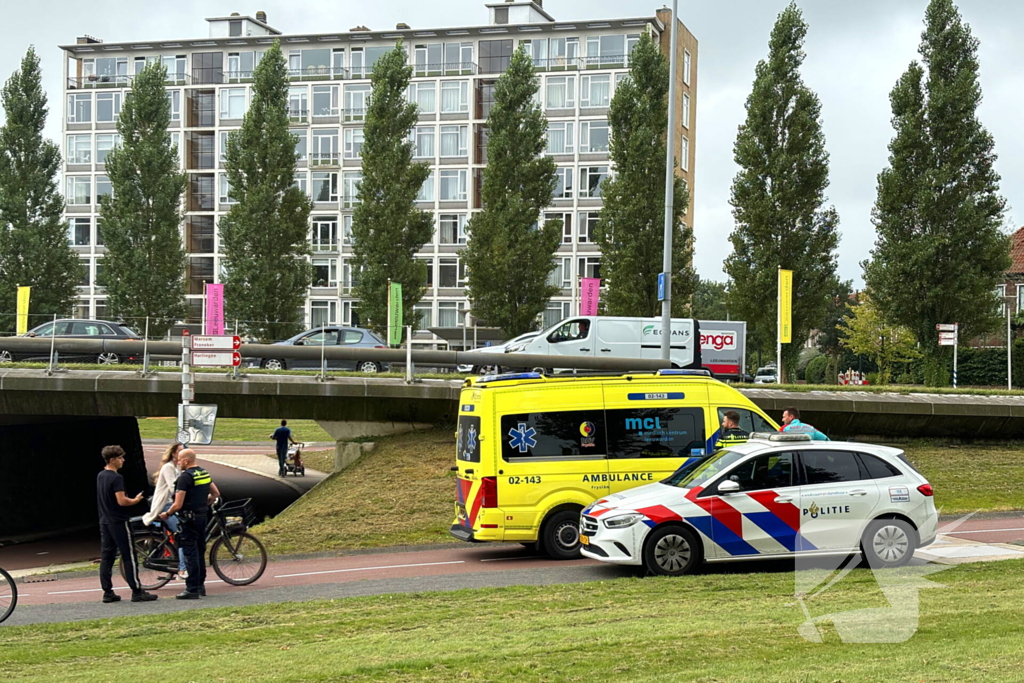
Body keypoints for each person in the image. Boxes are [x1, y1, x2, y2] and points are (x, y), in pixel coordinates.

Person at [96, 445, 158, 604]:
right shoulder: (117, 478)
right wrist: (135, 501)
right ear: (112, 460)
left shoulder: (101, 475)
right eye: (120, 458)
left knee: (107, 556)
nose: (123, 460)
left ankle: (107, 591)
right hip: (118, 520)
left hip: (104, 520)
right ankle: (136, 590)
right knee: (129, 555)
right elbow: (121, 501)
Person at [161, 448, 220, 600]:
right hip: (201, 518)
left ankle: (191, 588)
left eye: (180, 460)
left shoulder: (185, 478)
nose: (178, 462)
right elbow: (215, 493)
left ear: (186, 461)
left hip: (188, 520)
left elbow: (178, 504)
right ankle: (200, 586)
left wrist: (166, 514)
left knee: (190, 553)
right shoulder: (204, 473)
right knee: (200, 550)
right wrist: (205, 504)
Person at [142, 442, 187, 578]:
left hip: (171, 504)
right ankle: (182, 569)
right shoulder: (168, 468)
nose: (182, 454)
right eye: (180, 451)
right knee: (183, 533)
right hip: (165, 506)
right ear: (173, 454)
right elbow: (175, 489)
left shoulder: (177, 468)